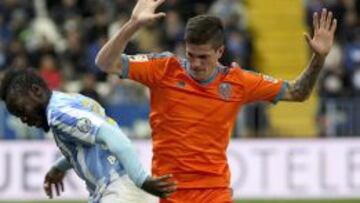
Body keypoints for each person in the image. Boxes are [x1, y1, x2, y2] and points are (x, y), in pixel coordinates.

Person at [95, 0, 337, 202]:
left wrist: (319, 58)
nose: (196, 64)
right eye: (191, 55)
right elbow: (105, 63)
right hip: (169, 192)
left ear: (220, 52)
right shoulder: (164, 69)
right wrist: (133, 24)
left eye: (203, 57)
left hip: (215, 192)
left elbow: (297, 92)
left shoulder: (238, 82)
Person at [0, 68, 176, 203]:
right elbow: (86, 145)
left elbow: (112, 135)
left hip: (119, 189)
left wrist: (142, 180)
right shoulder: (67, 100)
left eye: (22, 110)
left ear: (36, 91)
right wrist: (58, 167)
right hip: (115, 189)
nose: (24, 119)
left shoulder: (58, 115)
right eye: (18, 116)